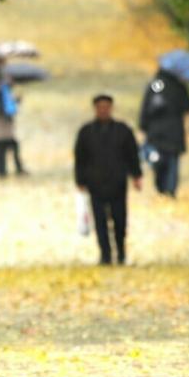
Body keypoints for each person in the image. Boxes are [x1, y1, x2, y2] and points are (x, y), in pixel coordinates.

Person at [75, 94, 142, 265]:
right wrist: (80, 181)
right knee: (100, 222)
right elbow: (80, 158)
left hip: (118, 183)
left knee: (120, 220)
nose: (103, 110)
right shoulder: (86, 132)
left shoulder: (123, 130)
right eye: (100, 107)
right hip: (95, 184)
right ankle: (105, 254)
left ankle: (120, 252)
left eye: (106, 107)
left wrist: (136, 175)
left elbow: (132, 154)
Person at [139, 68, 189, 197]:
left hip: (157, 131)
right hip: (174, 131)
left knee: (158, 159)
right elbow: (187, 106)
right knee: (173, 160)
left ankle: (161, 187)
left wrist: (144, 124)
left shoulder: (157, 85)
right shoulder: (179, 87)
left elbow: (147, 105)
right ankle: (170, 189)